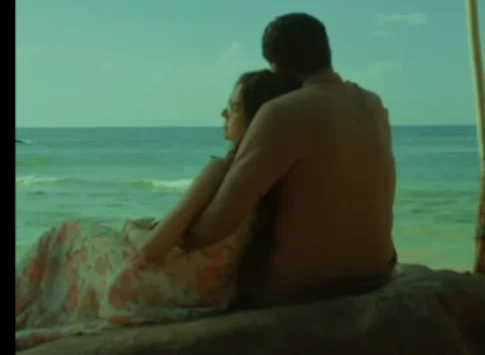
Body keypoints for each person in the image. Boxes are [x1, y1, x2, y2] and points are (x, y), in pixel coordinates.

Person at [15, 70, 302, 350]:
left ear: (257, 122)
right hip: (201, 294)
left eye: (234, 108)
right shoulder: (272, 181)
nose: (223, 113)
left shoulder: (221, 172)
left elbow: (151, 250)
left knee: (65, 233)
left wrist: (131, 229)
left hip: (146, 289)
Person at [181, 13, 397, 306]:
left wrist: (166, 237)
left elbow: (215, 225)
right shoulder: (374, 104)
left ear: (274, 66)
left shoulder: (280, 111)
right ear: (326, 51)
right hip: (377, 271)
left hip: (302, 287)